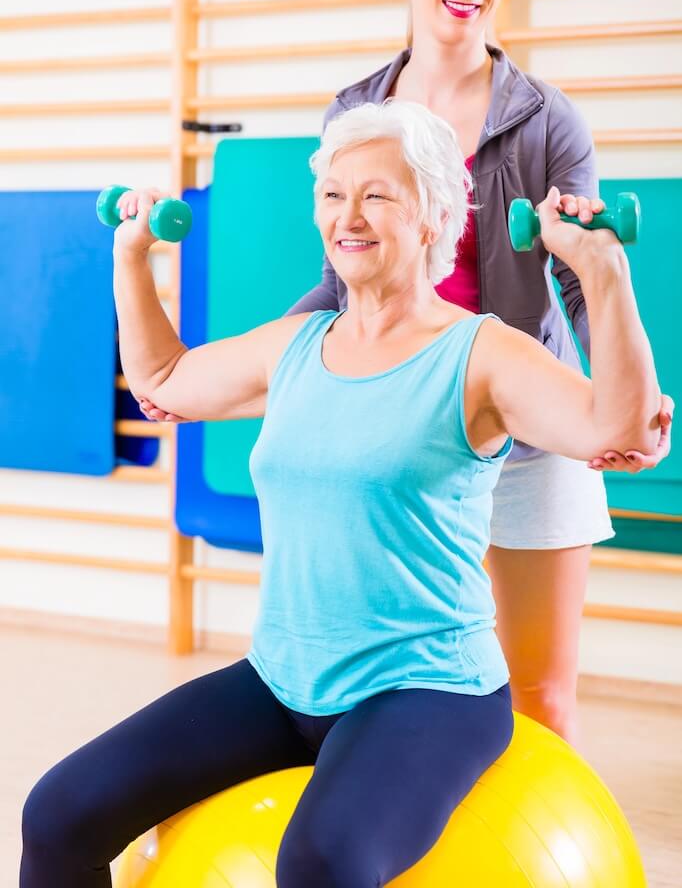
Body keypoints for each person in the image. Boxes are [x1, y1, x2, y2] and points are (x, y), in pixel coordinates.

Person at [22, 99, 661, 888]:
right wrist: (131, 256)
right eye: (333, 194)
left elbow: (616, 429)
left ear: (434, 218)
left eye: (377, 195)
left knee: (323, 864)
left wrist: (603, 269)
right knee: (56, 817)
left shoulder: (482, 354)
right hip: (283, 677)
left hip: (429, 690)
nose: (347, 215)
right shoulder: (298, 345)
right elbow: (163, 380)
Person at [140, 0, 674, 744]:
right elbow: (338, 278)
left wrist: (618, 403)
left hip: (519, 415)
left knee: (539, 697)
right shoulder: (355, 111)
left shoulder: (548, 121)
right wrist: (206, 374)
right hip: (393, 419)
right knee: (385, 693)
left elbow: (579, 279)